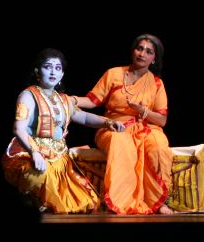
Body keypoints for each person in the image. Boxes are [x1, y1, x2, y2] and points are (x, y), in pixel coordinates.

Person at [2, 49, 125, 213]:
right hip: (32, 154)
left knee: (86, 200)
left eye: (57, 68)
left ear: (62, 74)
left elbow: (84, 117)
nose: (53, 72)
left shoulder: (64, 100)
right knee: (37, 176)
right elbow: (18, 128)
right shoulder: (28, 96)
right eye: (48, 67)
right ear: (37, 71)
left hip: (60, 158)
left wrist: (108, 122)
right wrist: (35, 153)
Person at [74, 34, 174, 215]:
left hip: (145, 128)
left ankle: (158, 202)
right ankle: (122, 202)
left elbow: (161, 120)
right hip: (113, 127)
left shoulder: (157, 84)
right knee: (121, 142)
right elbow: (93, 101)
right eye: (139, 48)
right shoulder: (114, 74)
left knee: (158, 145)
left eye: (149, 51)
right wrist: (71, 99)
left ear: (154, 59)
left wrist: (142, 111)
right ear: (133, 51)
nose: (142, 54)